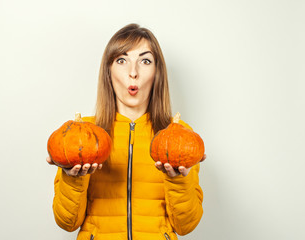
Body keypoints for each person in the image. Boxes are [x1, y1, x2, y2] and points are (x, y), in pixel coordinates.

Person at [46, 23, 206, 240]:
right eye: (122, 60)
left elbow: (186, 226)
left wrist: (178, 180)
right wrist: (72, 179)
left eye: (145, 61)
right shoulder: (82, 135)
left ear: (157, 72)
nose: (133, 73)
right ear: (108, 71)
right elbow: (67, 223)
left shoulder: (179, 137)